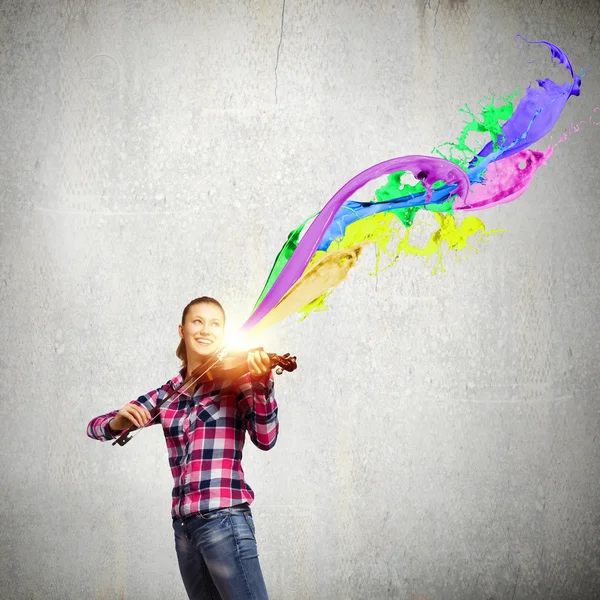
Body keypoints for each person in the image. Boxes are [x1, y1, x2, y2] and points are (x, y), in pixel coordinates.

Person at [87, 296, 278, 600]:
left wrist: (262, 384)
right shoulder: (169, 392)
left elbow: (266, 438)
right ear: (182, 329)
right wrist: (117, 423)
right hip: (184, 529)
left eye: (215, 324)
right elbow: (94, 427)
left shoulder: (237, 380)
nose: (205, 329)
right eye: (197, 321)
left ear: (224, 332)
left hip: (224, 518)